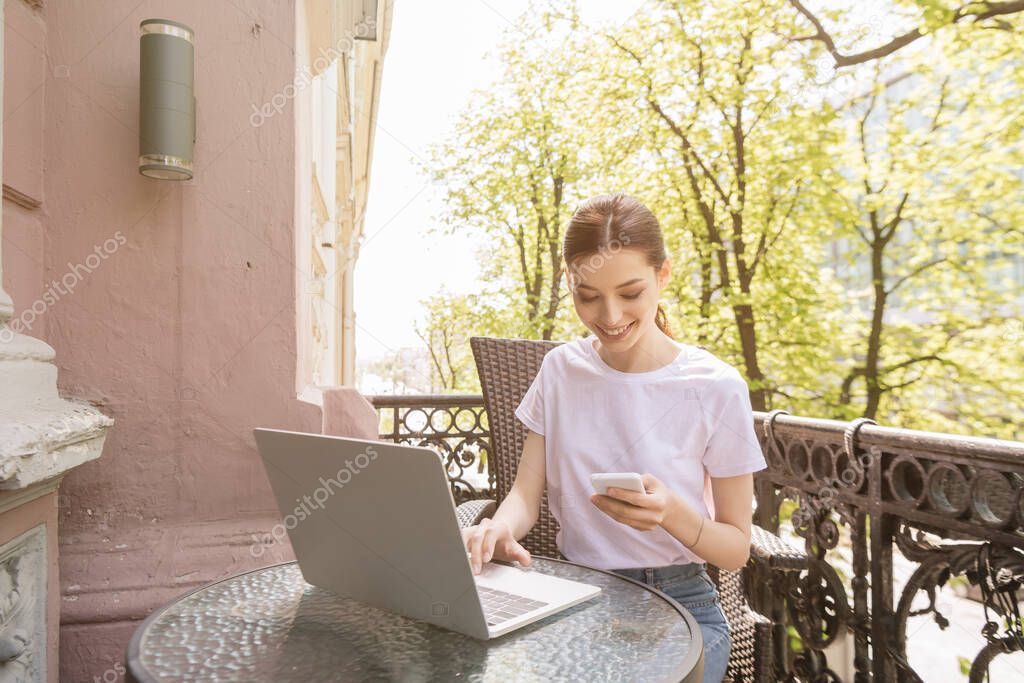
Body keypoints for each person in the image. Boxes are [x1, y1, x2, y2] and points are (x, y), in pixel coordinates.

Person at [461, 192, 767, 683]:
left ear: (663, 275)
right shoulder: (560, 370)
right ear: (570, 284)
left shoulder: (716, 387)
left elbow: (735, 549)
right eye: (588, 296)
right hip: (575, 593)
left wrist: (672, 515)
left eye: (630, 293)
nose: (609, 316)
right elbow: (524, 494)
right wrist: (498, 527)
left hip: (680, 602)